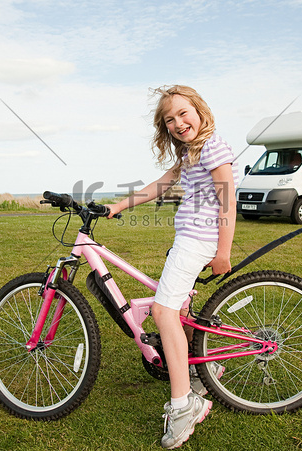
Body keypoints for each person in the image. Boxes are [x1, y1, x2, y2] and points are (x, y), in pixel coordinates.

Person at [105, 85, 238, 449]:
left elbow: (228, 202)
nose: (179, 123)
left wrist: (223, 252)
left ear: (199, 110)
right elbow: (161, 185)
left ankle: (184, 406)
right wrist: (118, 205)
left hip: (199, 241)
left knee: (163, 313)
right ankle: (200, 372)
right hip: (187, 240)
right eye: (170, 120)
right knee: (177, 312)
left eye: (183, 113)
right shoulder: (190, 153)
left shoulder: (213, 147)